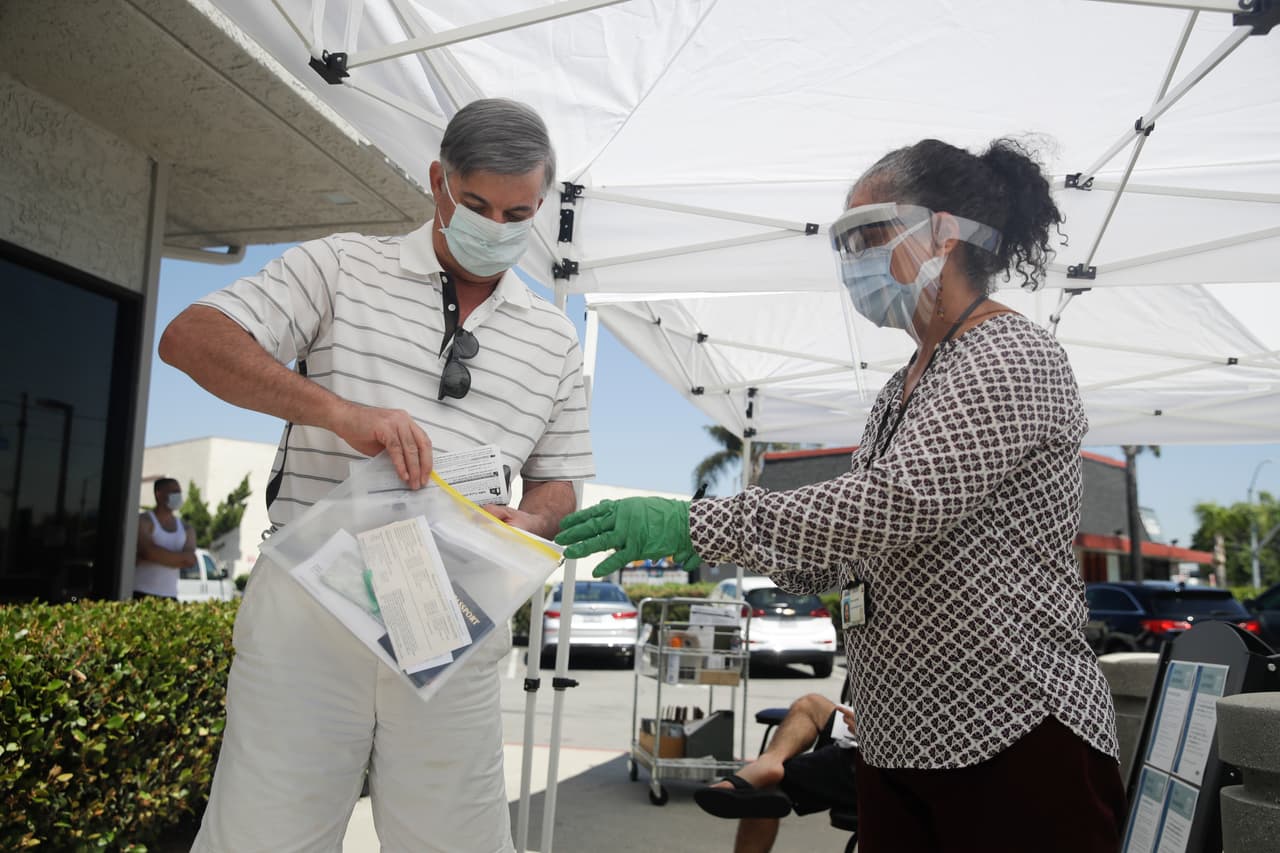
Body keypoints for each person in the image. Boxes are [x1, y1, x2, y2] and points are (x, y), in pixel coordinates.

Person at [558, 138, 1125, 852]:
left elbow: (895, 503)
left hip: (1011, 731)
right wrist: (767, 559)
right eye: (845, 241)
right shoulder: (903, 387)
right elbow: (852, 556)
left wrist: (695, 523)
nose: (852, 258)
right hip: (903, 741)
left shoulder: (1012, 355)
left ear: (942, 233)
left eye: (868, 234)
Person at [160, 98, 594, 852]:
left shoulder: (555, 338)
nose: (495, 228)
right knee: (264, 836)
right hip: (313, 600)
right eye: (477, 204)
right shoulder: (338, 264)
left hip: (451, 616)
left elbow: (559, 483)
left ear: (541, 205)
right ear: (437, 182)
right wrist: (337, 411)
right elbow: (191, 338)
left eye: (517, 212)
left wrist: (527, 523)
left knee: (457, 841)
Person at [694, 693, 858, 853]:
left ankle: (763, 774)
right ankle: (770, 762)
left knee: (763, 789)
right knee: (810, 704)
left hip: (874, 764)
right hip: (865, 736)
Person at [133, 477, 197, 599]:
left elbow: (191, 560)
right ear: (159, 494)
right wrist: (178, 560)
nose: (178, 496)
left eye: (179, 492)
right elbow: (148, 552)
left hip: (170, 596)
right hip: (141, 593)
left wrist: (158, 555)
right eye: (174, 492)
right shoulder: (144, 521)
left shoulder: (186, 528)